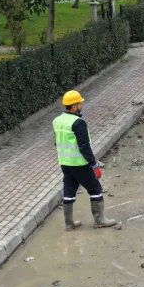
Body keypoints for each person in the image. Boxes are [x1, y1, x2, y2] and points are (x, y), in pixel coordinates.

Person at [52, 90, 116, 231]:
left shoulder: (56, 121)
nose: (82, 105)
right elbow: (84, 147)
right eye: (80, 103)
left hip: (65, 164)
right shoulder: (78, 123)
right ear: (74, 107)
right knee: (95, 189)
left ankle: (69, 224)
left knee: (69, 191)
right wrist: (94, 164)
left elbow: (57, 142)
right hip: (80, 164)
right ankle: (100, 220)